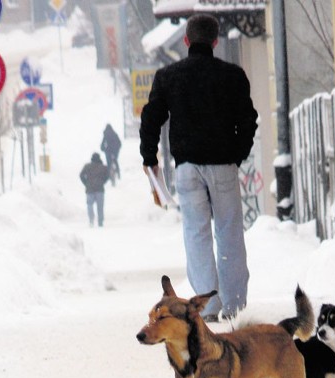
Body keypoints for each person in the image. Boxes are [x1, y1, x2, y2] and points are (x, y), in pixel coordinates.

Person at [139, 13, 258, 323]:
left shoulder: (169, 76)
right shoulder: (233, 76)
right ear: (216, 41)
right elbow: (248, 120)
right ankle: (233, 304)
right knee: (229, 230)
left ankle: (206, 304)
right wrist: (238, 154)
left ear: (186, 40)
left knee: (196, 233)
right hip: (223, 165)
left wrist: (149, 158)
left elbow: (151, 118)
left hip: (187, 167)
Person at [79, 152, 110, 227]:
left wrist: (86, 183)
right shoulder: (103, 167)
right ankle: (100, 221)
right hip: (100, 189)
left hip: (89, 189)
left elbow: (81, 175)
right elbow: (107, 176)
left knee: (89, 205)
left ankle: (91, 220)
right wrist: (102, 182)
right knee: (100, 206)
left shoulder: (87, 166)